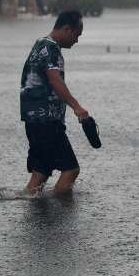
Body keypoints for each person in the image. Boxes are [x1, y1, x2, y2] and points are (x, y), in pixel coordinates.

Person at [20, 10, 89, 196]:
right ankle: (59, 216)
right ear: (67, 29)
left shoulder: (39, 45)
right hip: (47, 122)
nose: (77, 41)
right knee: (71, 170)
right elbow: (55, 80)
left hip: (33, 121)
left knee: (40, 173)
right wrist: (77, 107)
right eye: (77, 35)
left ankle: (34, 211)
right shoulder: (51, 49)